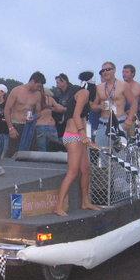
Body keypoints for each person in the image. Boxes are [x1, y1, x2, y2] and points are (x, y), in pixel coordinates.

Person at [55, 75, 100, 216]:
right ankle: (58, 206)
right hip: (73, 136)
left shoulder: (82, 94)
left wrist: (87, 138)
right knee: (73, 172)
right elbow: (76, 115)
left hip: (79, 136)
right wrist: (83, 134)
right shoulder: (84, 93)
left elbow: (83, 117)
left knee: (86, 169)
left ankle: (85, 202)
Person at [90, 62, 137, 148]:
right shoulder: (99, 87)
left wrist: (129, 119)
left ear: (114, 70)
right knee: (103, 152)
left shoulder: (123, 85)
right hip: (103, 124)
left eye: (108, 69)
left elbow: (134, 103)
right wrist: (100, 106)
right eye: (103, 70)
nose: (105, 72)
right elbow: (93, 106)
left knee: (119, 153)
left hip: (119, 123)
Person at [4, 72, 45, 157]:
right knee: (13, 154)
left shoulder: (37, 94)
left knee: (31, 154)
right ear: (32, 81)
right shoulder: (16, 91)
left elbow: (39, 112)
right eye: (38, 86)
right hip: (16, 125)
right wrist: (11, 128)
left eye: (40, 87)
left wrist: (34, 117)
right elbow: (7, 110)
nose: (39, 88)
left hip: (29, 126)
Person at [35, 86, 66, 152]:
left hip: (40, 125)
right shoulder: (50, 99)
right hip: (51, 125)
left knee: (41, 148)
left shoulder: (35, 99)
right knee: (54, 148)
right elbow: (60, 109)